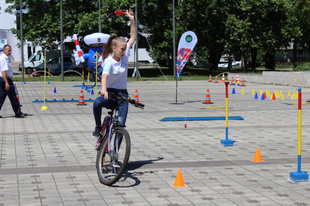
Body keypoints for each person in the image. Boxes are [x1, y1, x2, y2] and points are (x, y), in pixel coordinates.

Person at [92, 9, 136, 138]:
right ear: (114, 48)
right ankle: (98, 126)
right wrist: (104, 90)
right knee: (97, 103)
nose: (124, 52)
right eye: (122, 49)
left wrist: (132, 20)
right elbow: (104, 75)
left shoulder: (124, 56)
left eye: (125, 49)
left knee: (120, 127)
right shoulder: (108, 61)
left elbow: (133, 37)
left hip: (122, 95)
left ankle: (115, 154)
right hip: (110, 93)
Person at [0, 45, 27, 118]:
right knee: (13, 96)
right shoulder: (3, 58)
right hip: (5, 79)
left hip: (2, 80)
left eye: (11, 50)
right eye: (9, 50)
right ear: (4, 50)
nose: (10, 52)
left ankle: (18, 112)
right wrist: (7, 83)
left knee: (1, 97)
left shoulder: (5, 58)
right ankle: (18, 113)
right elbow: (3, 72)